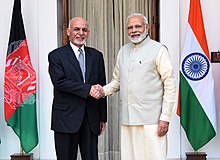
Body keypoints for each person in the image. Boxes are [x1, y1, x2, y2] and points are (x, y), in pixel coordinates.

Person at [98, 13, 176, 160]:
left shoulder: (159, 49)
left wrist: (165, 118)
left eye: (138, 26)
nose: (134, 30)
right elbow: (117, 81)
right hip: (128, 119)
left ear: (146, 27)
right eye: (130, 27)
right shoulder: (123, 51)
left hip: (152, 120)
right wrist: (102, 91)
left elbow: (170, 85)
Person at [48, 17, 107, 160]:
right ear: (68, 32)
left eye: (84, 30)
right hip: (66, 118)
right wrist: (87, 89)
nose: (81, 33)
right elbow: (59, 82)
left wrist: (102, 118)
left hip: (91, 118)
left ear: (88, 33)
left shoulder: (97, 56)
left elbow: (101, 86)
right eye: (77, 29)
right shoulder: (56, 55)